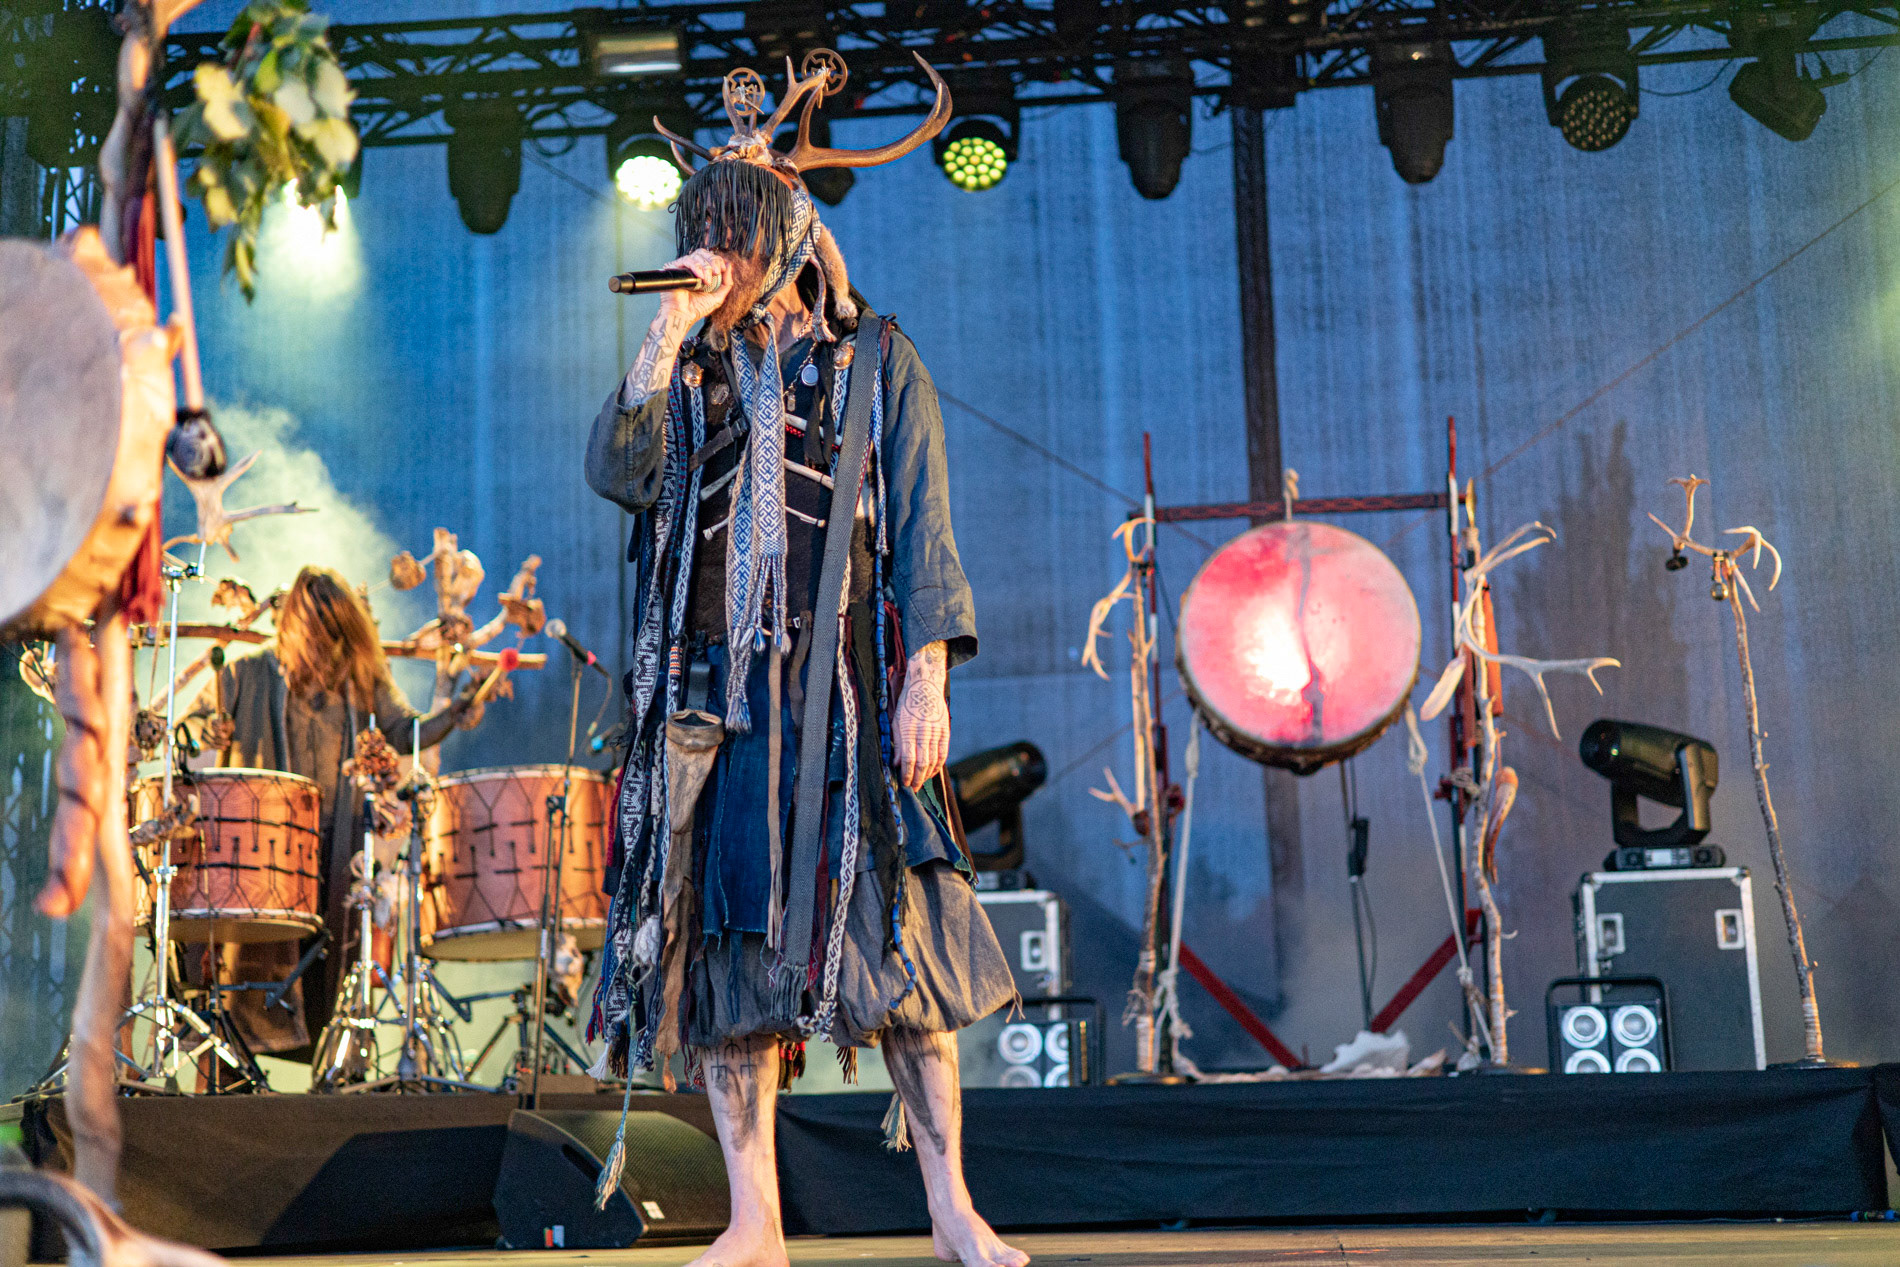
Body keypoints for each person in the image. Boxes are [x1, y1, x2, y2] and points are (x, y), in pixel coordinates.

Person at [584, 52, 1028, 1267]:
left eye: (731, 238)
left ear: (777, 242)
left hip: (846, 693)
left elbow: (925, 523)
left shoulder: (877, 358)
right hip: (721, 705)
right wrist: (667, 328)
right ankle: (754, 1222)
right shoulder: (686, 378)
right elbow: (619, 474)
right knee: (731, 968)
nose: (715, 255)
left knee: (903, 957)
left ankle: (952, 1211)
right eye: (701, 236)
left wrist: (927, 673)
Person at [191, 565, 474, 1056]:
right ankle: (235, 1075)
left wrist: (453, 715)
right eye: (317, 633)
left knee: (334, 966)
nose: (325, 647)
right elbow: (194, 725)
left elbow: (405, 730)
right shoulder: (244, 672)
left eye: (335, 634)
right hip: (265, 855)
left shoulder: (362, 680)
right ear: (295, 627)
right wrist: (204, 731)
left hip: (336, 850)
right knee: (256, 966)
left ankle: (335, 1069)